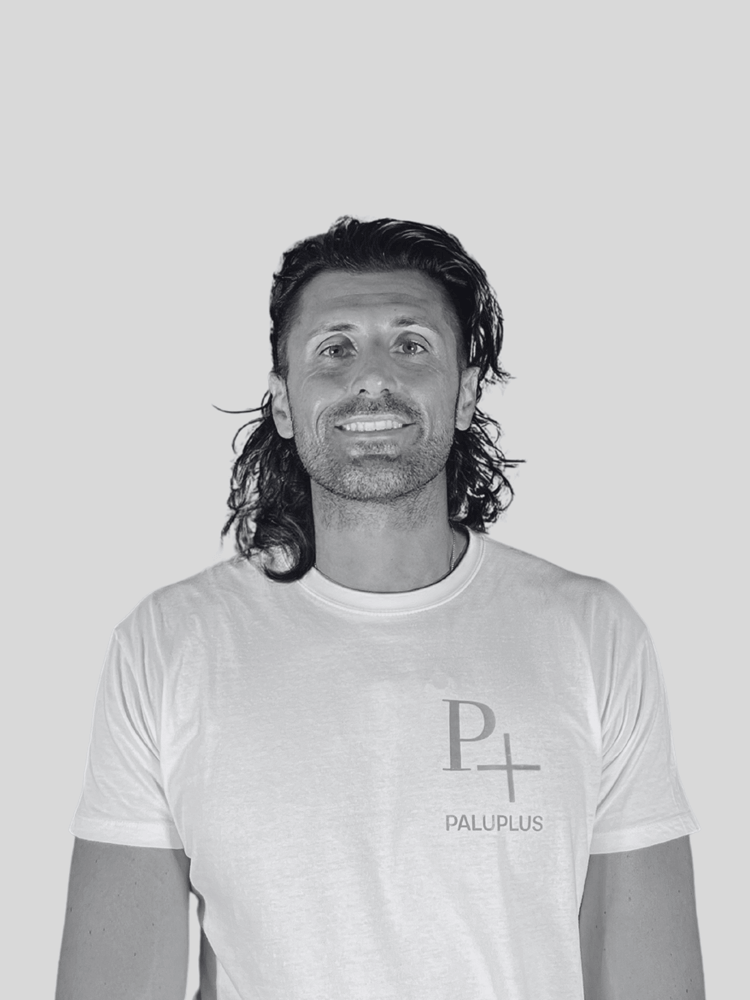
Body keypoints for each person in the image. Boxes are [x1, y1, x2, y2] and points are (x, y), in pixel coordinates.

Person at [56, 217, 705, 1000]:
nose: (371, 377)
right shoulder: (170, 645)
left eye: (411, 345)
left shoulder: (591, 635)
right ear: (284, 403)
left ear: (465, 393)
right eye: (334, 349)